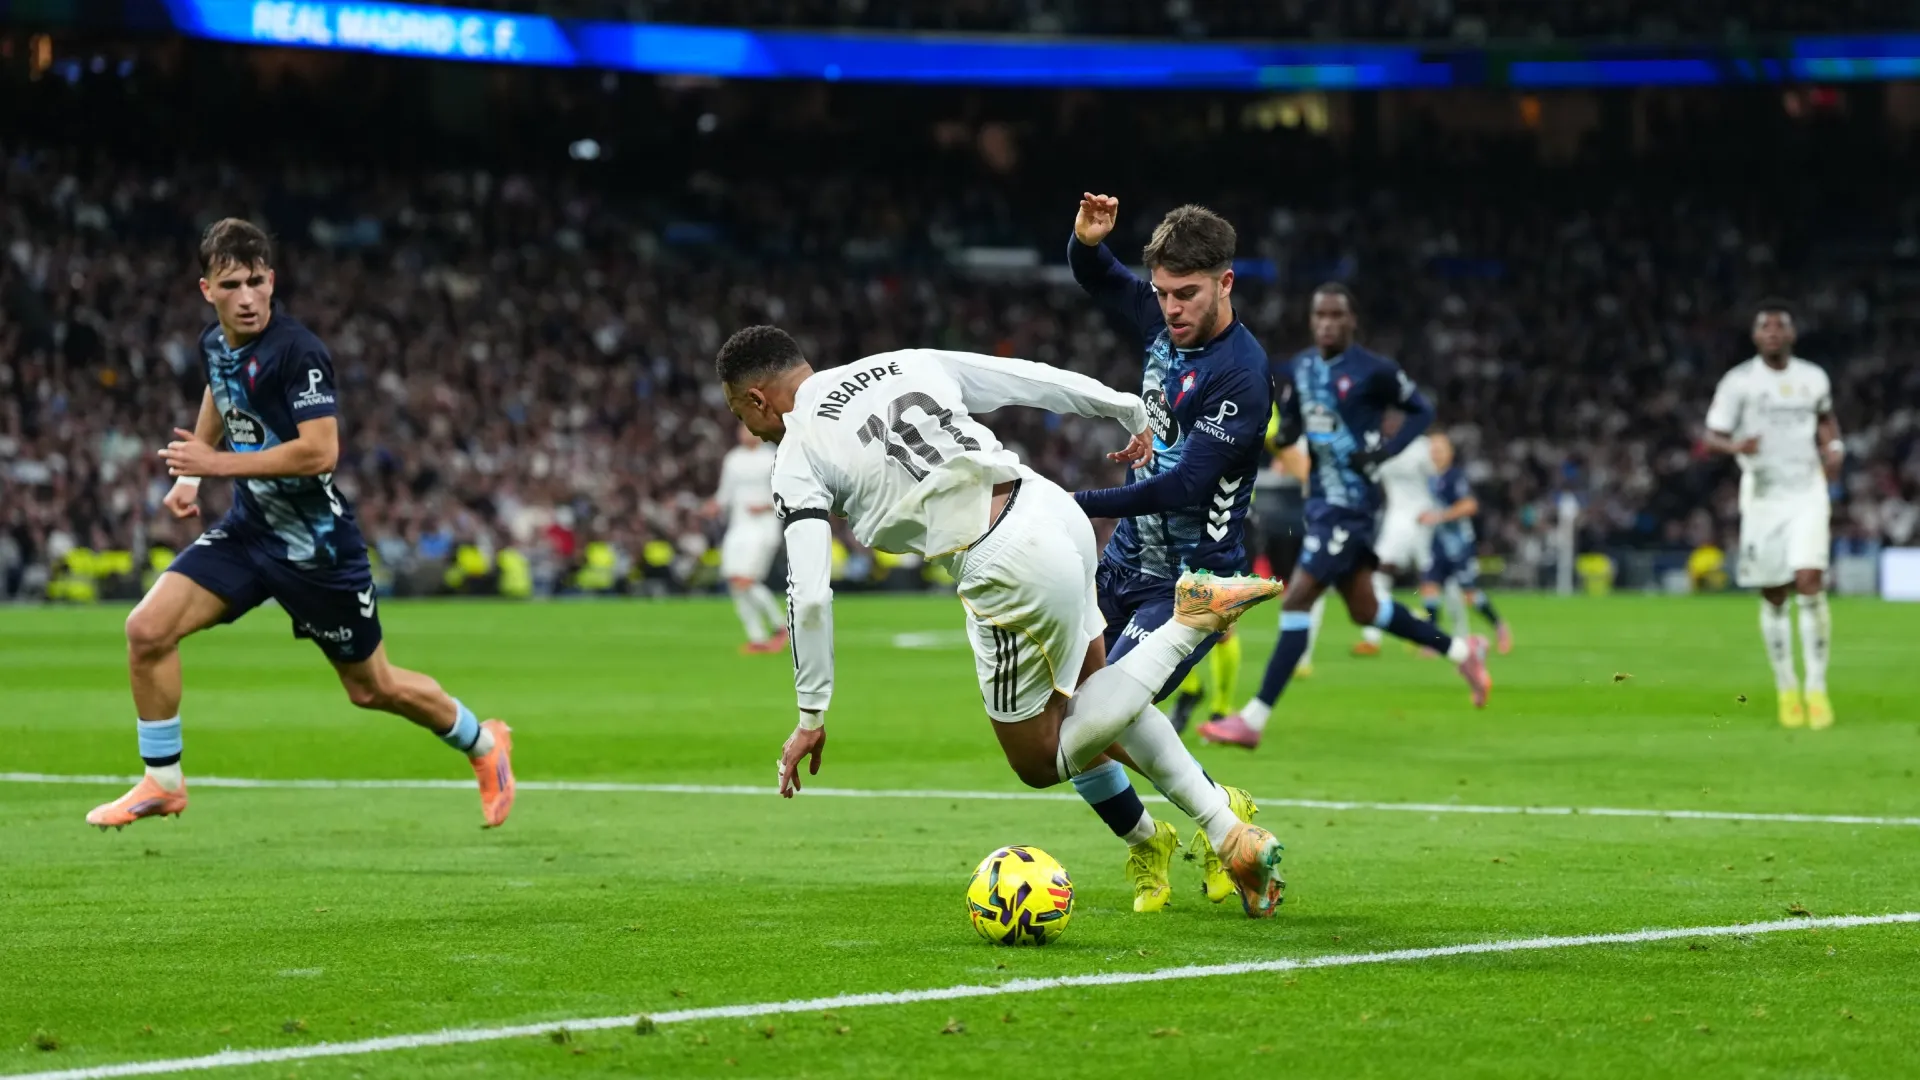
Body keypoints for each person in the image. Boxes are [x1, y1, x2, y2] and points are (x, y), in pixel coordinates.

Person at [714, 326, 1289, 918]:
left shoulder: (796, 452)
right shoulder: (899, 361)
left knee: (1039, 759)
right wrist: (1119, 406)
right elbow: (1024, 379)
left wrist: (811, 713)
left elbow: (807, 595)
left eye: (741, 412)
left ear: (757, 398)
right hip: (1046, 505)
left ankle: (1188, 622)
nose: (752, 430)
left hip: (1002, 559)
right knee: (1098, 702)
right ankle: (1227, 831)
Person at [86, 219, 515, 831]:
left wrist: (216, 463)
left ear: (272, 281)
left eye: (257, 281)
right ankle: (162, 781)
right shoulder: (216, 342)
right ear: (206, 289)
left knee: (373, 688)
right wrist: (191, 478)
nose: (247, 297)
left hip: (316, 550)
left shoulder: (299, 351)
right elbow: (221, 386)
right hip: (250, 531)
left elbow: (320, 453)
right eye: (231, 284)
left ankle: (484, 744)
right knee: (146, 629)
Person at [1064, 194, 1275, 910]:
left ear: (1226, 282)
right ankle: (1147, 840)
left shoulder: (1241, 374)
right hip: (1123, 565)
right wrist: (1088, 242)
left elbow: (1186, 484)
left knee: (1102, 713)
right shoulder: (1159, 319)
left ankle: (1223, 821)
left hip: (1190, 586)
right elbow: (1097, 277)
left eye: (1186, 293)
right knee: (1058, 712)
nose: (1171, 308)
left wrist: (1076, 504)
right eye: (1161, 293)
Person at [1200, 284, 1491, 751]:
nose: (1327, 324)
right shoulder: (1304, 368)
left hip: (1353, 506)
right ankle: (1462, 651)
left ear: (1352, 321)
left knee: (1297, 601)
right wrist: (1284, 429)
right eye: (1320, 316)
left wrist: (1384, 451)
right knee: (1367, 610)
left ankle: (1253, 719)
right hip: (1321, 503)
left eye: (1336, 316)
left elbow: (1422, 410)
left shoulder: (1374, 371)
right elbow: (1293, 420)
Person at [1703, 299, 1843, 729]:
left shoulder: (1812, 378)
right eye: (1766, 328)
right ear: (1755, 336)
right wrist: (1734, 448)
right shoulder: (1739, 382)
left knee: (1809, 580)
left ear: (1792, 334)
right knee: (1775, 592)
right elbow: (1712, 435)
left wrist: (1834, 448)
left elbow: (1826, 420)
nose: (1773, 334)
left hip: (1806, 490)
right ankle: (1786, 687)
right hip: (1763, 496)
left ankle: (1816, 688)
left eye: (1780, 327)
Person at [1416, 434, 1511, 652]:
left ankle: (1499, 626)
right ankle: (1433, 640)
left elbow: (1469, 506)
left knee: (1470, 593)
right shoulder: (1429, 478)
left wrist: (1439, 517)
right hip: (1438, 543)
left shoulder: (1455, 477)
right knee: (1429, 587)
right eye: (1433, 450)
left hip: (1459, 545)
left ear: (1450, 453)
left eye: (1439, 450)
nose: (1435, 454)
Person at [1353, 420, 1436, 657]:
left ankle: (1419, 627)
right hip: (1398, 518)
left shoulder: (1422, 446)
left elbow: (1438, 479)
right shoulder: (1383, 446)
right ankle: (1419, 626)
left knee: (1427, 578)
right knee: (1426, 577)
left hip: (1420, 518)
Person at [707, 424, 788, 654]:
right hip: (738, 526)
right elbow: (725, 493)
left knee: (746, 580)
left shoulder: (773, 455)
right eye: (740, 430)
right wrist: (714, 506)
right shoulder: (733, 459)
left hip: (764, 527)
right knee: (735, 582)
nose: (743, 434)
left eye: (748, 430)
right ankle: (757, 637)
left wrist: (766, 506)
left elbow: (787, 490)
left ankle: (780, 626)